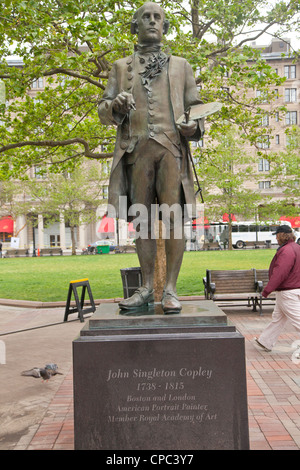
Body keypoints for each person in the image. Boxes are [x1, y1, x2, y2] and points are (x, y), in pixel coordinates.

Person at [98, 2, 204, 313]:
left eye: (158, 17)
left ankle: (170, 289)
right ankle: (146, 287)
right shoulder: (120, 67)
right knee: (141, 222)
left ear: (165, 26)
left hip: (171, 150)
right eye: (146, 17)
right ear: (135, 25)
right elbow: (103, 111)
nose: (152, 21)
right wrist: (115, 103)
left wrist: (194, 126)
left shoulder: (181, 66)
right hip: (136, 152)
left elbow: (195, 107)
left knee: (174, 220)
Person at [255, 225, 300, 352]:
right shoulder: (296, 248)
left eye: (277, 235)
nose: (275, 238)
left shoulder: (286, 251)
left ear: (281, 235)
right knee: (278, 319)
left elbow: (280, 272)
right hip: (291, 290)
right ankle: (265, 341)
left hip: (287, 292)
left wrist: (267, 290)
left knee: (298, 320)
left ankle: (266, 341)